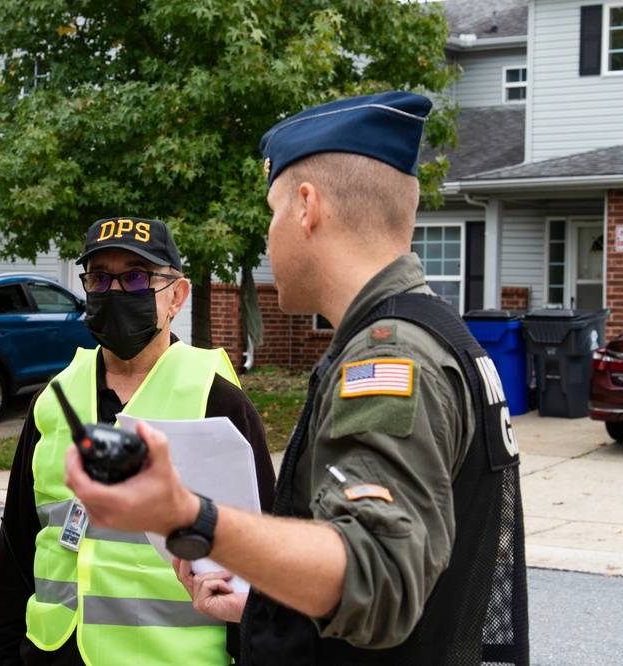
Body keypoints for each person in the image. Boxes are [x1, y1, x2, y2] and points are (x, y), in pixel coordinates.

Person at [65, 92, 530, 664]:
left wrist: (189, 517)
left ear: (306, 206)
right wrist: (265, 607)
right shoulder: (437, 333)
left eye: (272, 212)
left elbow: (376, 574)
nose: (268, 237)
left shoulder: (390, 359)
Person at [0, 217, 275, 665]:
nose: (115, 292)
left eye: (136, 277)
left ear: (176, 296)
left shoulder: (218, 403)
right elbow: (16, 553)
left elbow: (262, 567)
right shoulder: (54, 399)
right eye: (99, 278)